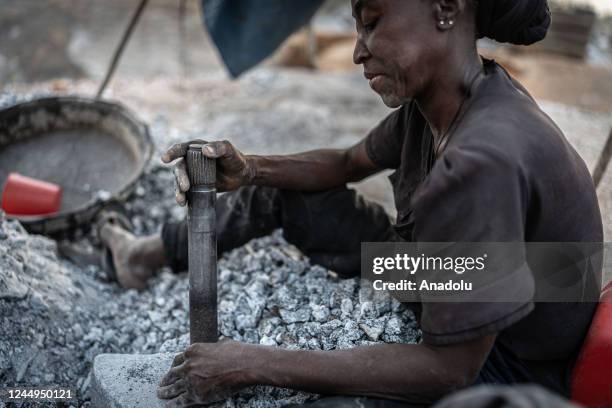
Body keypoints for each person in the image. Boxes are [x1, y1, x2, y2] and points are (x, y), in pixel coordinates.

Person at [99, 0, 603, 406]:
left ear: (446, 9)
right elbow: (345, 162)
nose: (359, 52)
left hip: (511, 359)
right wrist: (249, 168)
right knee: (281, 191)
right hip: (443, 274)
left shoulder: (483, 159)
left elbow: (449, 370)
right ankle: (144, 255)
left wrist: (247, 361)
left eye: (373, 22)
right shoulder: (440, 105)